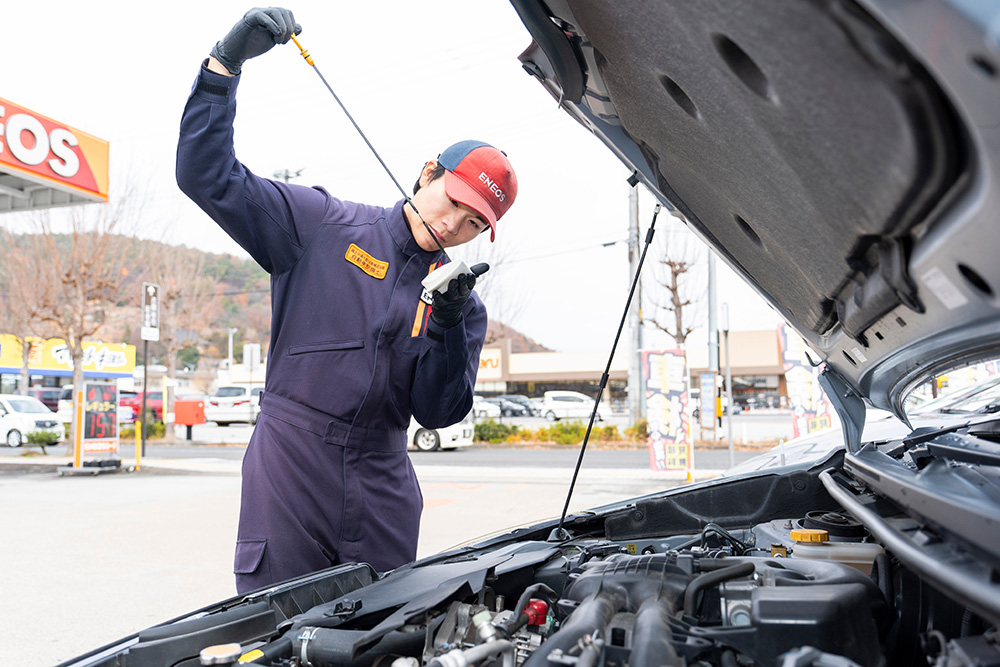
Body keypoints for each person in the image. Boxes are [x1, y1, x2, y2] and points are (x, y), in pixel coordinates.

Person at [176, 7, 517, 593]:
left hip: (382, 478)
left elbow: (438, 413)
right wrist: (222, 68)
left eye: (473, 222)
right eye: (453, 200)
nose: (455, 224)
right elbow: (208, 178)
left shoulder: (463, 305)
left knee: (385, 633)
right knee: (279, 630)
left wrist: (449, 326)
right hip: (291, 459)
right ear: (428, 173)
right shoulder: (321, 224)